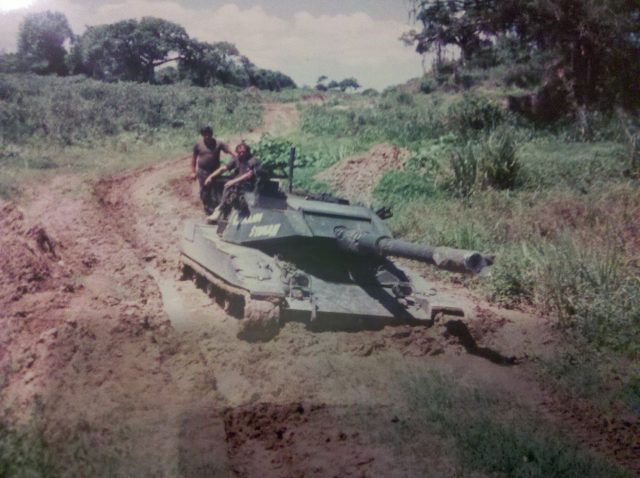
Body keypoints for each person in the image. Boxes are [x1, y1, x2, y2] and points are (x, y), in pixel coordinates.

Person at [204, 143, 261, 223]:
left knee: (229, 186)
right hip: (239, 182)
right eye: (239, 152)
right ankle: (217, 207)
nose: (241, 154)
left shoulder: (252, 160)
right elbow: (224, 168)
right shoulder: (237, 158)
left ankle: (220, 209)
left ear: (248, 152)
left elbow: (249, 175)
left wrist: (233, 181)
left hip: (249, 184)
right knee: (216, 181)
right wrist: (210, 177)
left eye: (243, 152)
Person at [191, 126, 236, 214]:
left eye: (208, 134)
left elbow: (229, 150)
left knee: (216, 189)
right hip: (203, 172)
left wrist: (236, 156)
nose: (207, 136)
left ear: (211, 134)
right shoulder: (198, 145)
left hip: (215, 171)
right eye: (204, 134)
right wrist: (193, 172)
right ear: (202, 135)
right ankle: (207, 208)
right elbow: (193, 159)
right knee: (205, 190)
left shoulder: (218, 143)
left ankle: (218, 208)